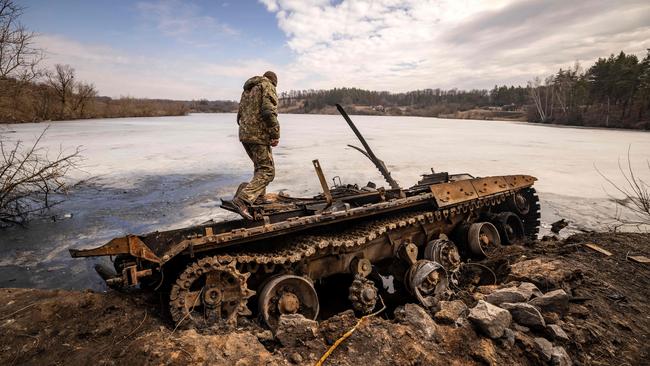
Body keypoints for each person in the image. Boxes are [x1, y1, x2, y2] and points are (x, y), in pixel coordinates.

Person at [231, 71, 280, 220]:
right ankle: (242, 199)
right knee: (267, 171)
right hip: (258, 134)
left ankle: (258, 197)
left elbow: (239, 115)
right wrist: (275, 133)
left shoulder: (248, 89)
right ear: (274, 81)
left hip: (245, 134)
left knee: (259, 167)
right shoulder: (267, 85)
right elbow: (268, 111)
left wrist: (247, 129)